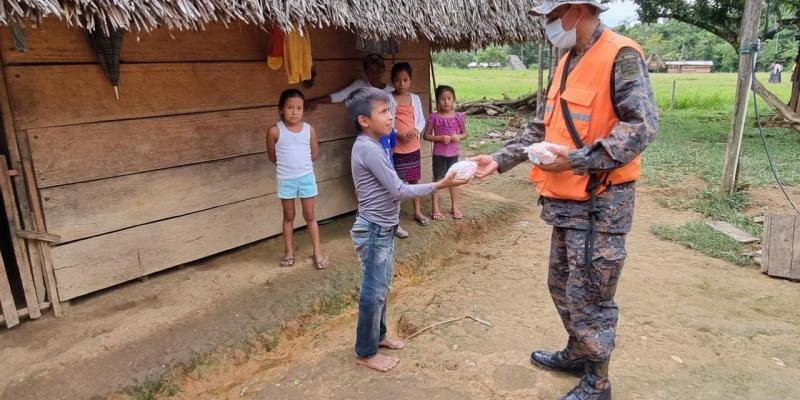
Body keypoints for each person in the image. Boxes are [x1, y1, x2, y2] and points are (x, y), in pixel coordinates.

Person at [472, 1, 658, 399]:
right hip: (566, 201)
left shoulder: (621, 55)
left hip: (601, 202)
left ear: (577, 10)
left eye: (553, 16)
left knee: (591, 294)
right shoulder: (566, 61)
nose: (550, 24)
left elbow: (642, 126)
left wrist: (576, 160)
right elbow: (542, 127)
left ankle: (598, 382)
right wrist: (499, 159)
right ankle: (578, 352)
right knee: (561, 283)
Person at [346, 87, 466, 372]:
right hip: (373, 230)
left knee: (381, 287)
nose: (391, 117)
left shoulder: (374, 144)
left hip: (383, 228)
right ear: (364, 120)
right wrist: (440, 184)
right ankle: (366, 352)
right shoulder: (368, 149)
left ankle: (380, 336)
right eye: (383, 112)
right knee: (373, 291)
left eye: (390, 111)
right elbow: (398, 190)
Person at [308, 54, 411, 239]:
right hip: (369, 141)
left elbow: (394, 116)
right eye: (369, 70)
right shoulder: (360, 86)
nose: (374, 74)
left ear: (383, 70)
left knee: (391, 185)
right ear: (365, 71)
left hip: (387, 141)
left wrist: (395, 139)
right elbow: (339, 96)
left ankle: (394, 224)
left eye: (377, 70)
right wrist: (316, 100)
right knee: (370, 186)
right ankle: (371, 224)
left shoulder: (390, 92)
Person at [266, 89, 330, 270]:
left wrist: (301, 167)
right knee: (288, 216)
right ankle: (289, 252)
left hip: (306, 178)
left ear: (303, 110)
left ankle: (317, 252)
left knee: (310, 215)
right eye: (290, 107)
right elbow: (272, 156)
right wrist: (288, 168)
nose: (294, 112)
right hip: (286, 180)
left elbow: (314, 154)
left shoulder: (309, 130)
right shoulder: (274, 131)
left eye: (299, 108)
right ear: (281, 109)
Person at [390, 62, 430, 226]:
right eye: (397, 80)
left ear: (410, 80)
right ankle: (394, 217)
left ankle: (417, 211)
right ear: (392, 81)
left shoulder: (415, 98)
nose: (402, 84)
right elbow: (386, 122)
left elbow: (421, 119)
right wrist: (397, 133)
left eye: (405, 80)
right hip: (397, 148)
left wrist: (416, 130)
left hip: (413, 147)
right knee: (396, 183)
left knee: (414, 181)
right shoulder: (389, 99)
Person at [423, 85, 468, 220]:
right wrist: (440, 138)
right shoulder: (434, 117)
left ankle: (455, 207)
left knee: (453, 180)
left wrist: (459, 137)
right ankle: (435, 209)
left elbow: (465, 133)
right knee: (438, 180)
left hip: (454, 154)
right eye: (442, 99)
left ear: (454, 99)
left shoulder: (458, 117)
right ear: (437, 101)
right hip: (439, 154)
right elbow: (426, 136)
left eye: (449, 98)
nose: (446, 102)